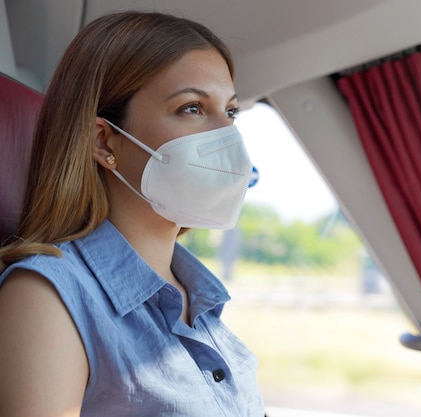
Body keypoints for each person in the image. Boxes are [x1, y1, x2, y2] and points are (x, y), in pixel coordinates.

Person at [0, 11, 265, 416]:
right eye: (192, 108)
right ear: (104, 140)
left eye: (229, 112)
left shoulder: (199, 297)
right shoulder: (45, 297)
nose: (226, 136)